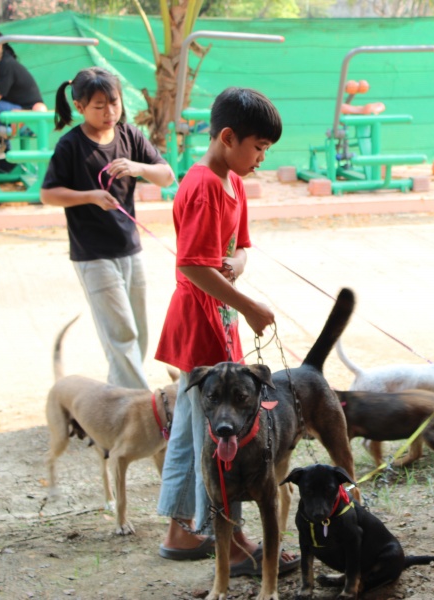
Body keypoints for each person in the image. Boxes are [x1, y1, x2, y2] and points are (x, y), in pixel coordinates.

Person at [153, 87, 298, 575]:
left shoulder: (233, 181)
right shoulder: (204, 185)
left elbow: (240, 248)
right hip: (201, 321)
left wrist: (237, 264)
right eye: (258, 147)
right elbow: (192, 265)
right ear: (228, 137)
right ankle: (229, 538)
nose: (261, 158)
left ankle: (183, 529)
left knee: (191, 429)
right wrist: (250, 307)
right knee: (219, 434)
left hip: (221, 318)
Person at [40, 67, 175, 390]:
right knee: (121, 333)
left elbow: (166, 175)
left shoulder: (130, 136)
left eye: (113, 103)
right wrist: (90, 196)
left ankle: (120, 397)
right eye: (99, 106)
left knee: (138, 331)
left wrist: (138, 167)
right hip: (93, 255)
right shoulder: (70, 145)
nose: (109, 112)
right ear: (79, 107)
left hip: (130, 248)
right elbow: (48, 194)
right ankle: (139, 404)